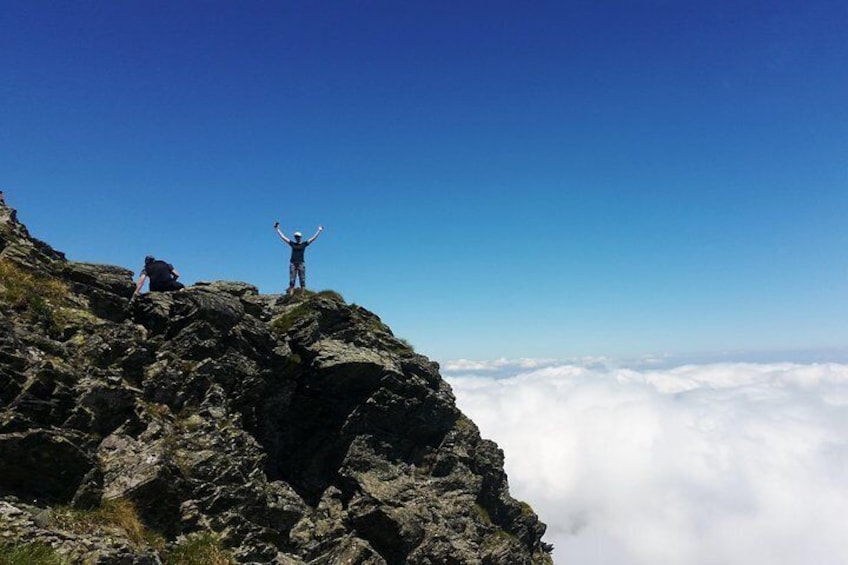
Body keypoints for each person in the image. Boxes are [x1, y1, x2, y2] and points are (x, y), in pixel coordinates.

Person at [274, 222, 323, 295]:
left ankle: (302, 294)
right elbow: (283, 237)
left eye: (298, 237)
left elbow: (313, 239)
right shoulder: (292, 244)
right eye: (296, 237)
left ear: (300, 237)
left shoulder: (304, 244)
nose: (297, 238)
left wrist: (319, 230)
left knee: (302, 279)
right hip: (292, 263)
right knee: (292, 279)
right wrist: (277, 229)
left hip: (301, 263)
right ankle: (291, 294)